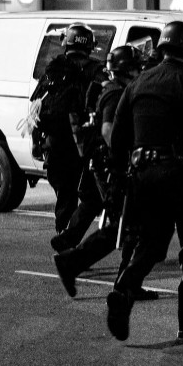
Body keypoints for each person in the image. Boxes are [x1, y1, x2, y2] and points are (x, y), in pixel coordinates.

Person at [106, 20, 183, 341]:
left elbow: (118, 138)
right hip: (180, 173)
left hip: (142, 173)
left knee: (152, 243)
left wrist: (120, 177)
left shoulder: (138, 83)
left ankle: (125, 288)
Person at [50, 45, 157, 301]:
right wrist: (127, 159)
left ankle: (120, 280)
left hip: (110, 167)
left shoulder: (116, 89)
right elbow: (109, 131)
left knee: (126, 226)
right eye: (135, 67)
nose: (139, 70)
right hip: (113, 169)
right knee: (128, 227)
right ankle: (83, 267)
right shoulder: (116, 93)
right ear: (125, 69)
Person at [31, 24, 105, 236]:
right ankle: (69, 241)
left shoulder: (53, 69)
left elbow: (36, 106)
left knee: (65, 196)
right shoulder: (95, 70)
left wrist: (38, 142)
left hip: (55, 144)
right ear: (89, 45)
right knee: (93, 198)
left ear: (67, 43)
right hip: (84, 144)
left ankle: (63, 236)